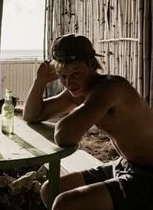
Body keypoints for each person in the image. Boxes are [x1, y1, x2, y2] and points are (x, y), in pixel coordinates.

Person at [23, 34, 153, 210]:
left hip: (148, 175)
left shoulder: (110, 88)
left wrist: (77, 111)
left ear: (92, 65)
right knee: (50, 189)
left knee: (64, 204)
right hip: (125, 164)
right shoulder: (80, 90)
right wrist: (40, 81)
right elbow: (32, 115)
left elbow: (64, 136)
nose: (69, 83)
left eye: (76, 73)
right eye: (63, 76)